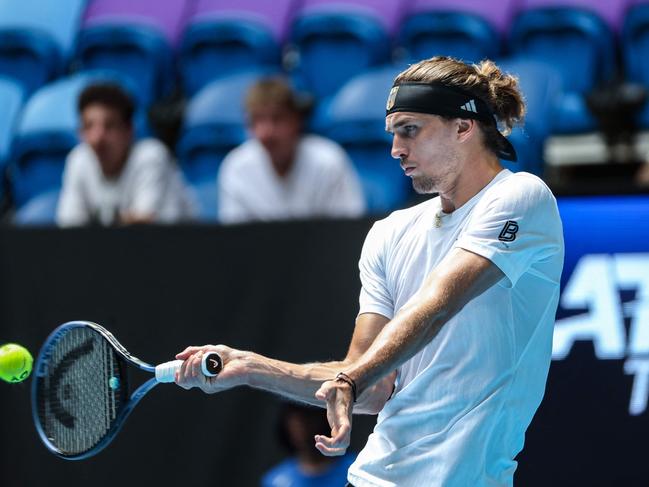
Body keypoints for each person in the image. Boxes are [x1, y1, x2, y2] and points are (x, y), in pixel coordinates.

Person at [175, 56, 565, 487]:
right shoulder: (390, 232)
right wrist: (252, 367)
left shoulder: (523, 197)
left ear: (463, 126)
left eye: (410, 130)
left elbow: (437, 305)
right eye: (394, 133)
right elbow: (372, 384)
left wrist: (351, 379)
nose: (396, 149)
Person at [217, 77, 366, 224]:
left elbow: (348, 231)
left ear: (296, 120)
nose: (267, 132)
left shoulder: (328, 161)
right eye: (257, 120)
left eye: (277, 119)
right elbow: (235, 241)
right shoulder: (236, 167)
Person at [57, 83, 195, 227]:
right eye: (88, 126)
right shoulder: (78, 159)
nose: (98, 138)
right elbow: (69, 228)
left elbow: (141, 230)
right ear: (80, 132)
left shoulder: (151, 156)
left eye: (109, 126)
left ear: (129, 130)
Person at [261, 402, 356, 487]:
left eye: (307, 416)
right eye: (293, 418)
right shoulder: (275, 480)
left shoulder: (356, 470)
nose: (299, 425)